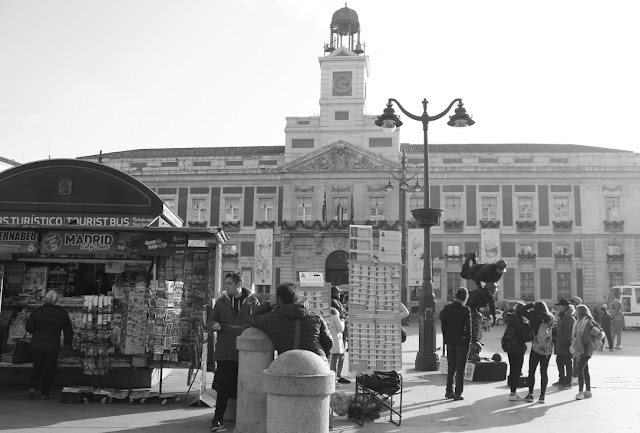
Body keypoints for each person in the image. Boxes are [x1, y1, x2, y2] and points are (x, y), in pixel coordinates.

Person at [209, 272, 260, 432]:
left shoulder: (253, 302)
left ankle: (247, 419)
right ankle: (217, 420)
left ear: (238, 285)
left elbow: (259, 321)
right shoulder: (221, 302)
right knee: (223, 388)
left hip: (246, 353)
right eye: (226, 283)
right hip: (225, 351)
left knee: (246, 386)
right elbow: (211, 320)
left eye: (229, 283)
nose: (226, 286)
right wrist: (214, 324)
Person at [248, 282, 333, 359]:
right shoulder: (315, 316)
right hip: (318, 360)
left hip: (288, 362)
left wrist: (268, 304)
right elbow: (328, 341)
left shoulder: (272, 318)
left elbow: (252, 319)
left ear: (279, 300)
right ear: (296, 299)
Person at [25, 290, 73, 400]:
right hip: (52, 344)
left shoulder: (37, 311)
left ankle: (33, 387)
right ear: (57, 300)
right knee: (49, 368)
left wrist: (37, 333)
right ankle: (44, 393)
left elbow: (29, 327)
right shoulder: (62, 313)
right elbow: (68, 331)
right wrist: (68, 343)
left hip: (37, 343)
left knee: (37, 366)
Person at [439, 287, 471, 401]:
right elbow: (468, 329)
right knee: (460, 368)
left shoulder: (447, 308)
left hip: (450, 341)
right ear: (465, 297)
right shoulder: (465, 310)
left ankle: (448, 391)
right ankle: (458, 393)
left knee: (451, 367)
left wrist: (446, 338)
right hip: (462, 343)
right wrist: (468, 342)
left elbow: (443, 325)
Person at [521, 301, 555, 404]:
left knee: (532, 371)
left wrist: (531, 304)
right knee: (544, 372)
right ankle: (542, 396)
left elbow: (522, 310)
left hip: (536, 347)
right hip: (548, 348)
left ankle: (531, 394)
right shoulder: (551, 317)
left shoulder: (534, 316)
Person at [571, 304, 603, 400]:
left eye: (577, 311)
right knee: (585, 369)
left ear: (581, 312)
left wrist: (579, 345)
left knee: (580, 369)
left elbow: (586, 337)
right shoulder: (580, 321)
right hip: (581, 347)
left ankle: (580, 392)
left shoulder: (587, 322)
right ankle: (588, 391)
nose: (575, 313)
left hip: (586, 348)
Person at [502, 302, 532, 401]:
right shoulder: (523, 323)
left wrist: (512, 309)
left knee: (512, 368)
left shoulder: (510, 318)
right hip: (518, 348)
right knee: (517, 370)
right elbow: (527, 338)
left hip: (509, 347)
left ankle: (512, 391)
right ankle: (513, 393)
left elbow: (505, 313)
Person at [466, 282, 498, 353]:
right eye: (493, 291)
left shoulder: (489, 296)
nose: (493, 293)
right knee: (477, 318)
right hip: (468, 307)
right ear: (489, 290)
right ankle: (473, 338)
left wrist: (494, 316)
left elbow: (492, 306)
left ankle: (475, 337)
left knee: (478, 319)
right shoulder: (480, 293)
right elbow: (471, 303)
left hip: (474, 307)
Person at [552, 299, 576, 388]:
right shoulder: (561, 317)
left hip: (565, 345)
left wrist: (561, 342)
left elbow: (568, 332)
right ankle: (561, 380)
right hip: (559, 344)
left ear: (565, 307)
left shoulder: (569, 317)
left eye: (559, 306)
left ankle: (568, 381)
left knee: (567, 363)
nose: (558, 307)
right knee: (559, 362)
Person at [327, 307, 349, 384]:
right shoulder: (335, 316)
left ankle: (333, 377)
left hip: (330, 339)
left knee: (332, 359)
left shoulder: (327, 316)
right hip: (336, 340)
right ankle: (336, 377)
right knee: (336, 358)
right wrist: (342, 321)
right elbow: (340, 328)